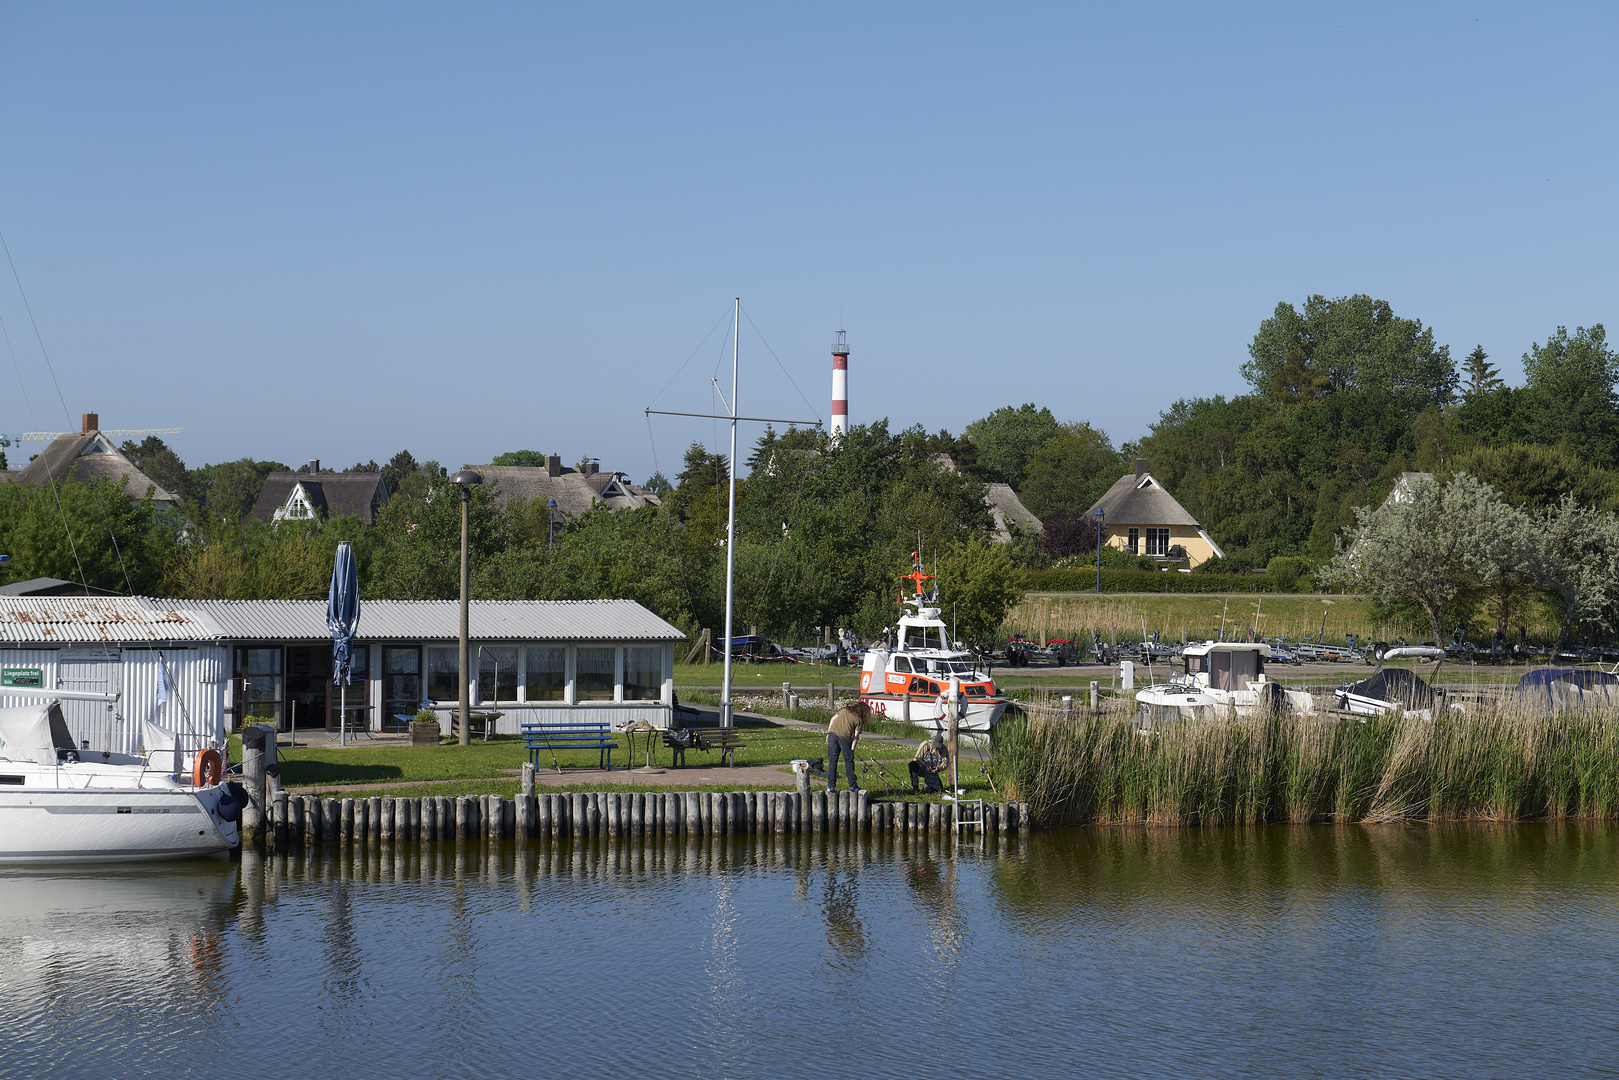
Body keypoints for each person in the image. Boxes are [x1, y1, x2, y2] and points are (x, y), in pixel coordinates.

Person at [825, 701, 871, 793]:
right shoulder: (859, 720)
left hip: (832, 736)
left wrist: (828, 733)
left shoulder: (844, 710)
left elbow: (832, 719)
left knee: (832, 762)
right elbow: (855, 737)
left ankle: (831, 786)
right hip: (845, 739)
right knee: (849, 762)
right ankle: (853, 785)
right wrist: (852, 750)